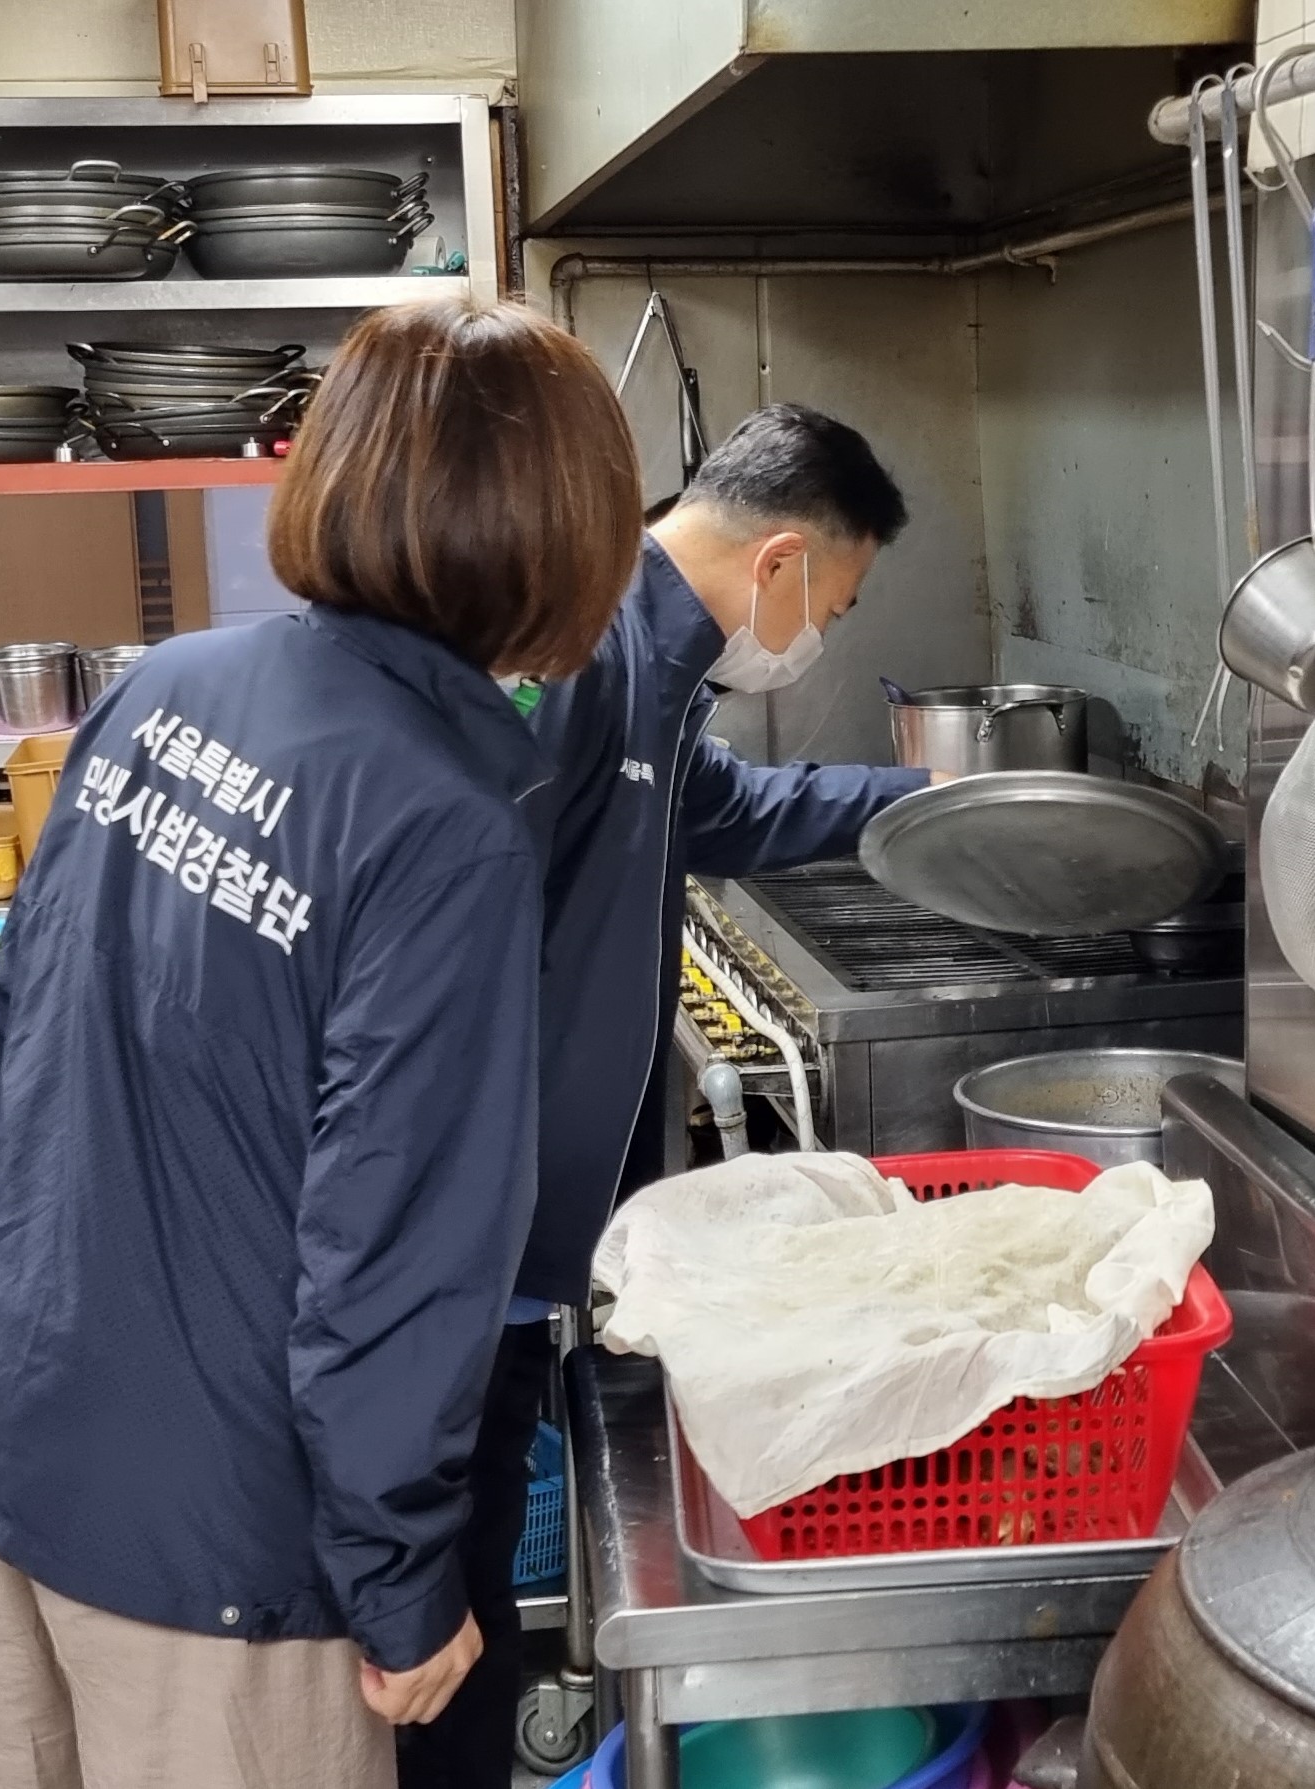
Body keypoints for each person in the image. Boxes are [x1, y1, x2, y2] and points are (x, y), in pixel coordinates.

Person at [0, 296, 642, 1789]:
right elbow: (394, 1255)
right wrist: (402, 1576)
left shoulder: (171, 688)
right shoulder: (444, 822)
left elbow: (19, 1035)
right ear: (566, 541)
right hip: (214, 1567)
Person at [396, 404, 928, 1789]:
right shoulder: (578, 651)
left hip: (510, 1240)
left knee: (459, 1570)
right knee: (435, 1606)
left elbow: (724, 812)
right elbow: (440, 939)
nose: (817, 635)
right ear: (783, 562)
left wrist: (929, 797)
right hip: (465, 1237)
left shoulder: (652, 667)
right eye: (838, 601)